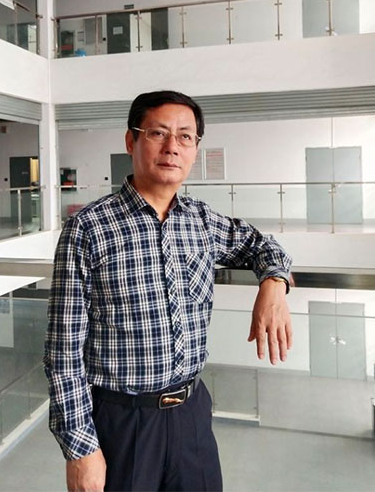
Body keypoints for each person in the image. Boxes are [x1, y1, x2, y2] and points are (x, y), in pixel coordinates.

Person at [45, 90, 293, 492]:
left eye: (185, 136)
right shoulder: (88, 228)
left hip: (191, 415)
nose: (172, 147)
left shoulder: (201, 221)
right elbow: (63, 351)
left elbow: (263, 246)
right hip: (123, 423)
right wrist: (80, 449)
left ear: (195, 148)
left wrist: (274, 285)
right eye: (158, 133)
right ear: (131, 141)